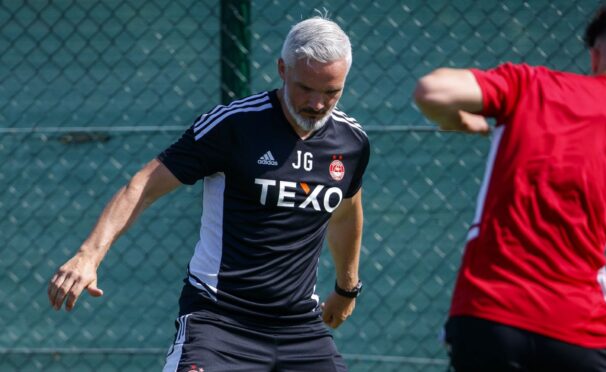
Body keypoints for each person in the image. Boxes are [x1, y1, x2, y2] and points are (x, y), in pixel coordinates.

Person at [48, 15, 369, 372]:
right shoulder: (233, 125)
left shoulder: (351, 141)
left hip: (300, 328)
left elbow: (344, 210)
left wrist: (346, 287)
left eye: (331, 92)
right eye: (305, 88)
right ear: (282, 69)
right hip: (219, 322)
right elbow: (143, 186)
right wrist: (88, 256)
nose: (317, 104)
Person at [414, 2, 606, 371]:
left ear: (595, 55)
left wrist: (462, 121)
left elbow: (433, 90)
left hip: (487, 317)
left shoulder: (532, 84)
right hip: (580, 330)